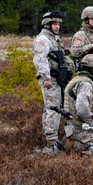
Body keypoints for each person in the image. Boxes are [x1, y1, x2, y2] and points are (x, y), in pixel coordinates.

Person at [32, 10, 69, 150]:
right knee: (52, 107)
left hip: (58, 77)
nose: (57, 26)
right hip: (50, 78)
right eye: (54, 23)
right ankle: (51, 141)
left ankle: (54, 139)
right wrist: (46, 77)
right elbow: (40, 59)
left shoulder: (54, 39)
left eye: (59, 24)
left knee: (57, 107)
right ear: (47, 24)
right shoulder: (43, 39)